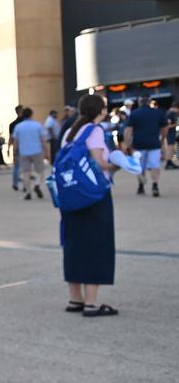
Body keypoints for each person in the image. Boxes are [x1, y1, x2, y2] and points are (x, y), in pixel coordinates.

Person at [60, 94, 119, 317]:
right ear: (101, 111)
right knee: (95, 243)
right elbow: (100, 162)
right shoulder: (95, 131)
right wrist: (119, 164)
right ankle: (92, 303)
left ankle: (76, 298)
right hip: (93, 196)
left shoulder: (70, 131)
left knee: (74, 243)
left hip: (71, 195)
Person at [123, 97, 166, 196]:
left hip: (139, 144)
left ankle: (141, 186)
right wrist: (162, 139)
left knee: (139, 166)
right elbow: (165, 128)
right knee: (155, 165)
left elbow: (128, 131)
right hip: (154, 143)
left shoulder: (134, 114)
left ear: (139, 102)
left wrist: (128, 144)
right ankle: (155, 185)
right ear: (150, 102)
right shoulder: (158, 112)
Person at [12, 108, 48, 200]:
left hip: (24, 152)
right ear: (32, 114)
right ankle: (37, 184)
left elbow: (16, 141)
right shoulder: (37, 125)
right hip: (37, 150)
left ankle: (28, 192)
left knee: (26, 173)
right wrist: (46, 151)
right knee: (41, 171)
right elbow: (43, 140)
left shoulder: (19, 127)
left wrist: (15, 153)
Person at [7, 104, 24, 190]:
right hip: (25, 147)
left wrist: (9, 148)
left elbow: (11, 138)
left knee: (16, 166)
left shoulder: (12, 124)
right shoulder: (25, 123)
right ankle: (25, 184)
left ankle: (15, 183)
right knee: (25, 166)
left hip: (16, 147)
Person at [165, 100, 179, 170]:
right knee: (170, 148)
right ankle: (168, 162)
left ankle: (170, 162)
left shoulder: (171, 113)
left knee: (171, 148)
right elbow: (167, 125)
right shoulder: (170, 114)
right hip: (170, 133)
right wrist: (176, 125)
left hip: (171, 133)